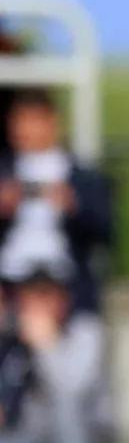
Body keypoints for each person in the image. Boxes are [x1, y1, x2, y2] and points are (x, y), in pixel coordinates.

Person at [0, 270, 114, 443]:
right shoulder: (13, 339)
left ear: (63, 300)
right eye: (29, 297)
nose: (37, 306)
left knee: (67, 407)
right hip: (33, 436)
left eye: (45, 296)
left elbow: (72, 390)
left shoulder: (86, 333)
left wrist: (46, 346)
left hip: (89, 432)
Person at [0, 91, 117, 315]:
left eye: (30, 120)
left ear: (51, 122)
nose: (22, 130)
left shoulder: (83, 178)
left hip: (65, 284)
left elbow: (105, 232)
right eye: (17, 121)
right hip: (8, 284)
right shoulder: (4, 170)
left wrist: (73, 206)